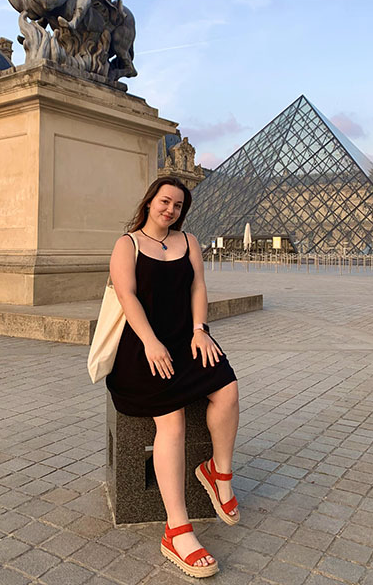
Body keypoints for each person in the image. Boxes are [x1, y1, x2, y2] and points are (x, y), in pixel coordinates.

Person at [107, 176, 240, 578]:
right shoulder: (126, 244)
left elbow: (199, 285)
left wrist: (201, 329)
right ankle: (177, 528)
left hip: (187, 339)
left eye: (178, 206)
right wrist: (150, 342)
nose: (170, 210)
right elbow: (126, 295)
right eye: (165, 202)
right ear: (149, 202)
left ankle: (219, 472)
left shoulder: (189, 242)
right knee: (173, 421)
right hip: (144, 347)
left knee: (228, 388)